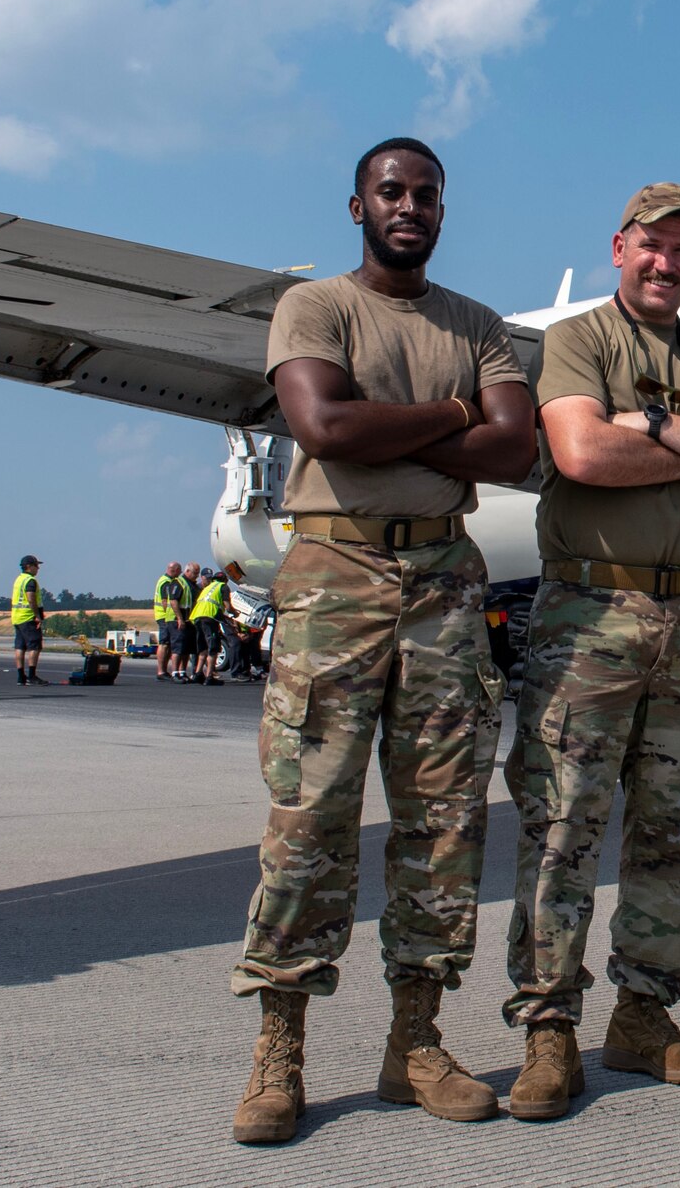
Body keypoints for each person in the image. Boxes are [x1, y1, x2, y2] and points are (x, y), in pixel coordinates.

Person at [229, 136, 535, 1144]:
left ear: (444, 210)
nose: (409, 206)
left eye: (426, 194)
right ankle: (280, 1049)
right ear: (357, 206)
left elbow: (513, 444)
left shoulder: (477, 324)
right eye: (390, 191)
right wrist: (450, 414)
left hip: (443, 577)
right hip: (334, 572)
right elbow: (323, 428)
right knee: (310, 817)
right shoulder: (314, 308)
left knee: (443, 823)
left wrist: (396, 419)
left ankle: (416, 1042)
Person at [502, 183, 680, 1121]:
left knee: (679, 834)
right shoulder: (579, 341)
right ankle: (549, 1033)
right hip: (588, 610)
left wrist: (659, 427)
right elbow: (582, 452)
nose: (664, 262)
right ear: (618, 247)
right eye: (649, 245)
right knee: (562, 828)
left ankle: (642, 1016)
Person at [11, 556, 48, 686]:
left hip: (17, 617)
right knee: (35, 646)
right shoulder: (30, 581)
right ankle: (32, 675)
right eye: (36, 566)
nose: (38, 568)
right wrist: (37, 615)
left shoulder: (19, 579)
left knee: (20, 646)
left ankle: (21, 676)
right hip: (28, 617)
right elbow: (31, 598)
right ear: (29, 566)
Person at [190, 567, 228, 685]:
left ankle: (198, 673)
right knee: (213, 648)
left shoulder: (207, 588)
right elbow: (228, 606)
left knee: (202, 648)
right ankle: (209, 676)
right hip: (209, 618)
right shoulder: (223, 587)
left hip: (197, 617)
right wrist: (235, 614)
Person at [154, 561, 186, 682]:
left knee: (166, 643)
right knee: (165, 643)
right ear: (175, 570)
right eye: (179, 571)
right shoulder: (167, 582)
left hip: (162, 615)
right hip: (164, 616)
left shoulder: (163, 579)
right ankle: (161, 671)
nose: (180, 573)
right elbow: (164, 600)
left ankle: (163, 671)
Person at [177, 558, 205, 682]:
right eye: (195, 573)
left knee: (191, 648)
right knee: (181, 648)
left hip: (192, 619)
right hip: (185, 619)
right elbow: (175, 601)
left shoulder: (193, 585)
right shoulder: (182, 582)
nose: (197, 576)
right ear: (187, 571)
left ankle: (188, 671)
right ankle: (177, 672)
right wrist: (180, 619)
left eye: (198, 573)